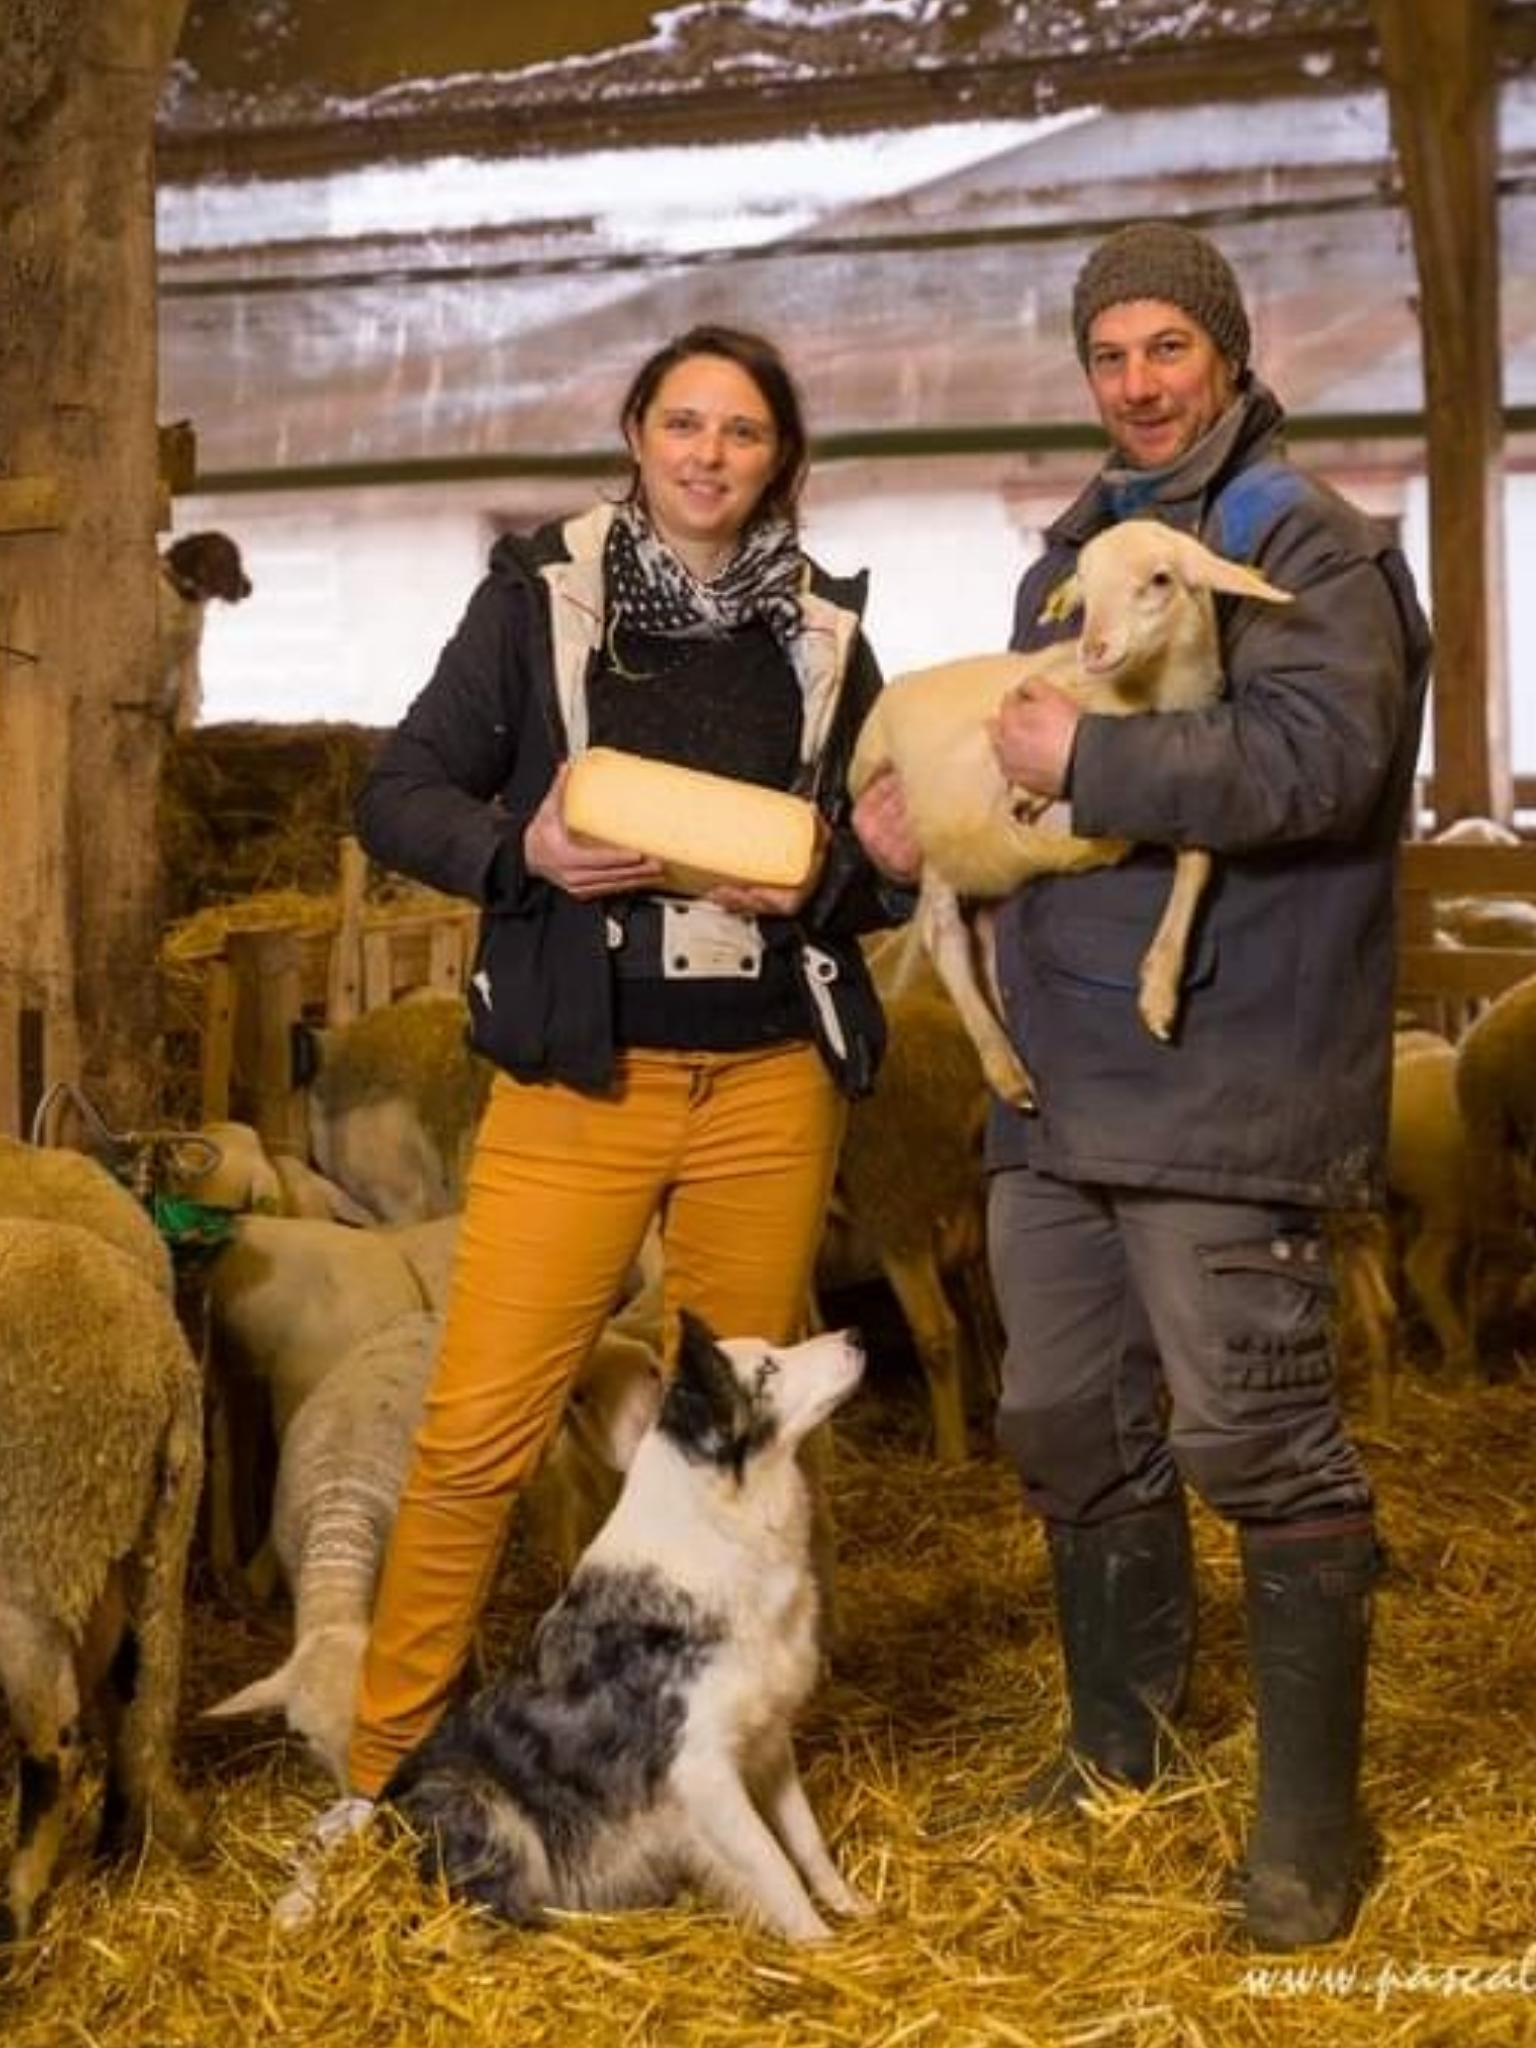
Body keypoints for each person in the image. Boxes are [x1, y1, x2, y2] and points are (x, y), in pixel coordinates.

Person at [854, 222, 1431, 1950]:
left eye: (1167, 345)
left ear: (1233, 355)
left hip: (1226, 1065)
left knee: (1251, 1427)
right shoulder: (1079, 556)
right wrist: (913, 831)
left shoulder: (1307, 548)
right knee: (1061, 1425)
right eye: (1109, 355)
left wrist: (1085, 749)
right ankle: (1122, 1746)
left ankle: (1309, 1834)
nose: (1138, 381)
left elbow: (1323, 760)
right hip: (1058, 1084)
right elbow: (1014, 787)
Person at [317, 324, 904, 1851]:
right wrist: (528, 857)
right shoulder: (540, 601)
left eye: (746, 433)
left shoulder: (827, 636)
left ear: (782, 460)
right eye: (685, 424)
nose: (711, 456)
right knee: (479, 1430)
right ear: (638, 432)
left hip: (771, 1079)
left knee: (742, 1438)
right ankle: (383, 1772)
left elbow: (883, 870)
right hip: (585, 1079)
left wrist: (829, 874)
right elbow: (401, 794)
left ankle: (716, 1760)